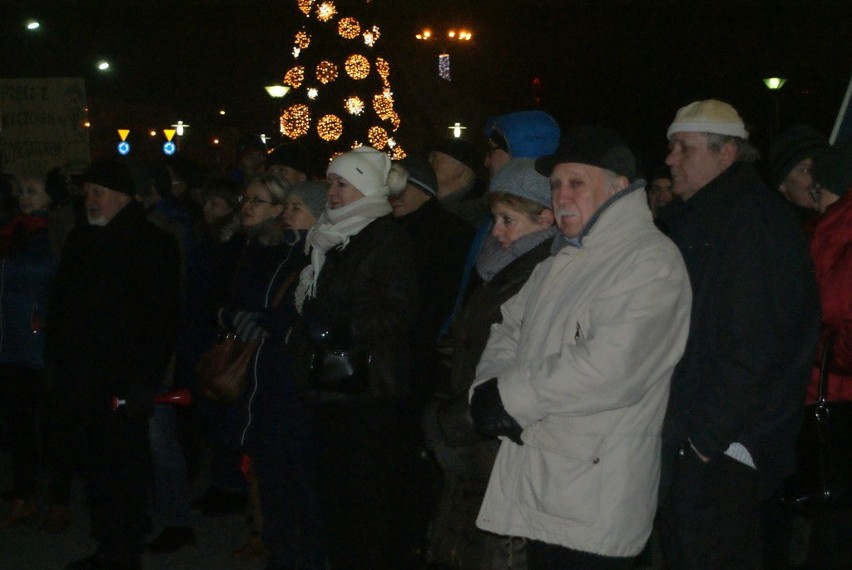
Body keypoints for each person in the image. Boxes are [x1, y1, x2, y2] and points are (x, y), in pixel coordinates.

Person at [468, 126, 692, 569]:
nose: (561, 196)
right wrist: (488, 387)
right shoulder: (563, 259)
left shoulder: (650, 260)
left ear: (620, 188)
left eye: (576, 183)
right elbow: (509, 326)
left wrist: (509, 397)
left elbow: (611, 369)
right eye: (555, 185)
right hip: (545, 483)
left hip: (594, 496)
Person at [657, 99, 821, 569]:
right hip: (701, 440)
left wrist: (704, 443)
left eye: (683, 149)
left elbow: (750, 345)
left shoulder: (752, 224)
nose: (670, 160)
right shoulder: (707, 217)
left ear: (726, 153)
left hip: (724, 450)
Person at [46, 159, 181, 570]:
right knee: (96, 468)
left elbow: (162, 319)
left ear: (122, 196)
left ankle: (124, 551)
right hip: (82, 378)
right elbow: (63, 308)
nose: (91, 200)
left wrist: (143, 380)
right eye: (87, 193)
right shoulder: (80, 241)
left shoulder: (152, 243)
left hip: (125, 379)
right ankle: (107, 544)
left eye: (99, 192)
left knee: (124, 468)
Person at [423, 157, 557, 568]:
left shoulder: (543, 269)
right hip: (471, 415)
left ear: (545, 218)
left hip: (501, 424)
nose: (496, 231)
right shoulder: (502, 263)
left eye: (508, 219)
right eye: (495, 218)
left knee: (500, 541)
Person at [293, 146, 420, 569]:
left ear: (365, 187)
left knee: (363, 498)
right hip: (331, 384)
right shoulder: (333, 235)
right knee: (336, 493)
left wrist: (344, 328)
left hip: (368, 389)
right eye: (330, 182)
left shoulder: (384, 237)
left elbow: (401, 309)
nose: (331, 191)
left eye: (341, 183)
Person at [213, 173, 326, 570]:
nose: (288, 215)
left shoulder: (319, 256)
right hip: (264, 384)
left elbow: (298, 316)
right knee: (273, 485)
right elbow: (236, 298)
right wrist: (234, 316)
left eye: (297, 208)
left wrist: (265, 323)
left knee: (299, 490)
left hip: (290, 388)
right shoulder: (275, 251)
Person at [0, 173, 62, 530]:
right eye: (21, 190)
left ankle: (57, 497)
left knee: (50, 426)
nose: (25, 196)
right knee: (19, 425)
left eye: (32, 190)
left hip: (39, 344)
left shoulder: (51, 234)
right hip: (10, 342)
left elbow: (45, 276)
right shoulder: (12, 232)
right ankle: (24, 494)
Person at [430, 137, 487, 227]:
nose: (429, 163)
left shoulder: (480, 217)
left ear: (458, 170)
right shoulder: (426, 206)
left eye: (435, 159)